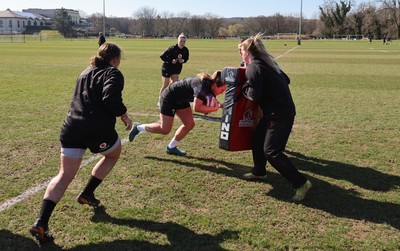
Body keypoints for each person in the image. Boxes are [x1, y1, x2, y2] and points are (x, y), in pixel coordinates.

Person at [29, 43, 133, 244]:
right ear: (115, 59)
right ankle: (87, 192)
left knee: (64, 175)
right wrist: (124, 116)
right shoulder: (113, 72)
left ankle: (41, 221)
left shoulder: (85, 71)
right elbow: (110, 97)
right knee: (113, 153)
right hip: (95, 129)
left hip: (71, 127)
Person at [238, 33, 312, 201]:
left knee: (272, 151)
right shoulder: (269, 63)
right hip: (279, 111)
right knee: (257, 137)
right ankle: (259, 172)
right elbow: (286, 79)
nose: (241, 55)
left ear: (247, 51)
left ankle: (301, 183)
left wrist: (244, 87)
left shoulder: (253, 67)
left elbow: (254, 95)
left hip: (279, 114)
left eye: (241, 51)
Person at [129, 70, 226, 156]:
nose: (222, 92)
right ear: (215, 84)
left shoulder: (210, 85)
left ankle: (171, 147)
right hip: (169, 98)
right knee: (165, 129)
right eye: (221, 90)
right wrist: (215, 109)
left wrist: (220, 105)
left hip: (181, 100)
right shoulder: (203, 86)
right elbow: (197, 108)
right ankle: (138, 127)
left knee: (189, 124)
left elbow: (209, 101)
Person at [159, 33, 189, 106]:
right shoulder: (172, 48)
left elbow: (186, 58)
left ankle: (171, 99)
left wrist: (183, 60)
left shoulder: (185, 50)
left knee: (174, 85)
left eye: (184, 41)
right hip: (167, 67)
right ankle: (160, 100)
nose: (182, 43)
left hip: (176, 69)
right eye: (181, 41)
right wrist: (171, 60)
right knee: (165, 85)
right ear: (178, 41)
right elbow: (162, 56)